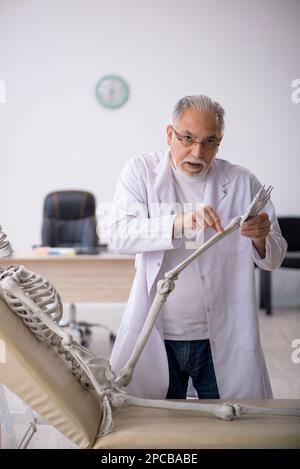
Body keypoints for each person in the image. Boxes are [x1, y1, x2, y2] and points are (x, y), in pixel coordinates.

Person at [107, 95, 287, 400]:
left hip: (220, 338)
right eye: (187, 138)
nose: (197, 151)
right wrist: (178, 222)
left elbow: (274, 257)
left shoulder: (242, 182)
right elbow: (118, 235)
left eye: (209, 142)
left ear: (220, 142)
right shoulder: (140, 171)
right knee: (157, 429)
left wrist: (259, 237)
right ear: (169, 134)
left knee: (229, 432)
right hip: (158, 335)